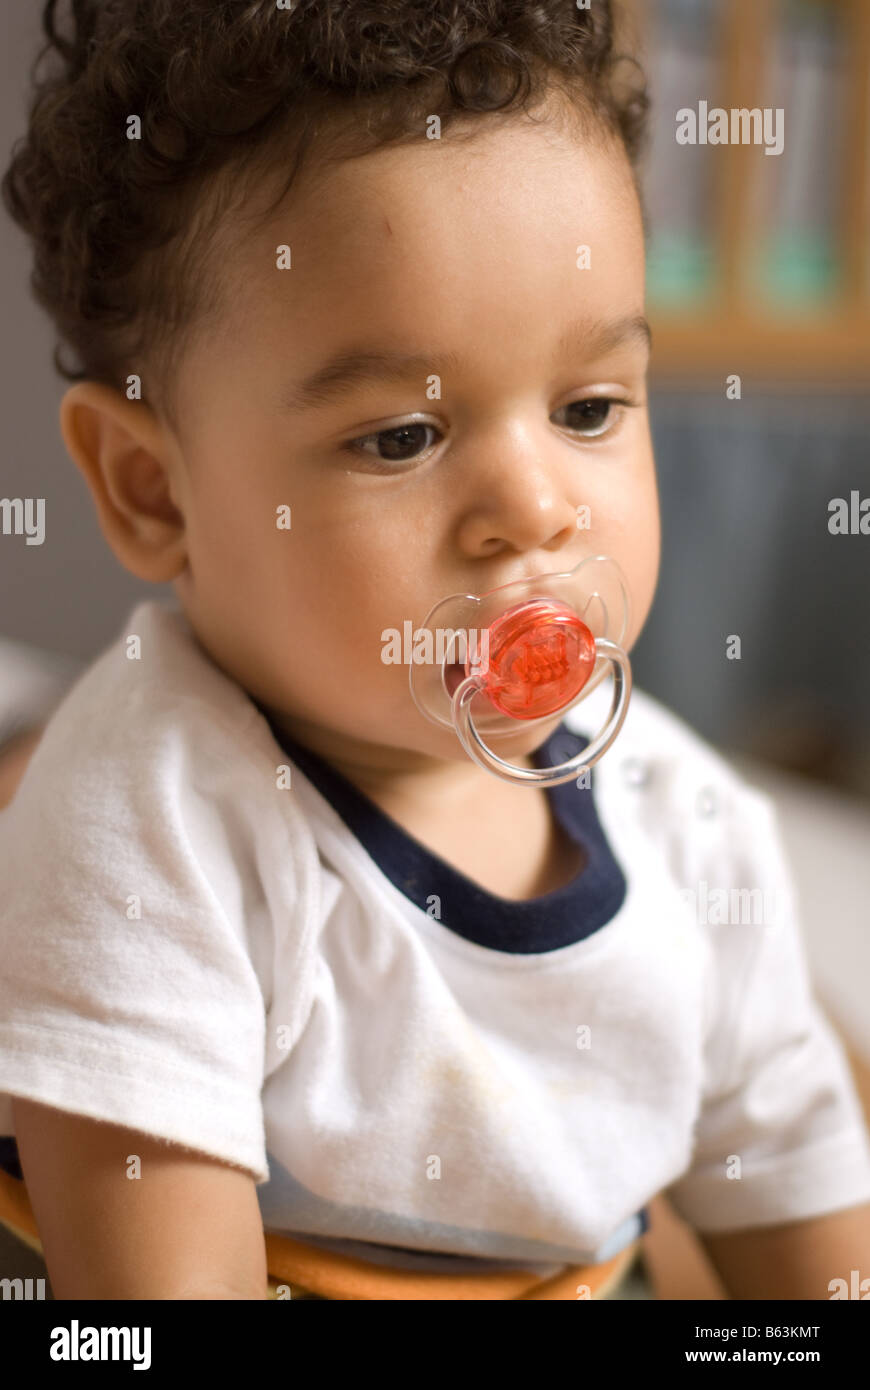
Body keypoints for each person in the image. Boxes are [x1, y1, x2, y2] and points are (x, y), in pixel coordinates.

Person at [0, 0, 868, 1301]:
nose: (534, 507)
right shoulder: (150, 831)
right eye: (400, 437)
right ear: (152, 491)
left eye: (588, 408)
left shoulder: (692, 831)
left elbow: (806, 1228)